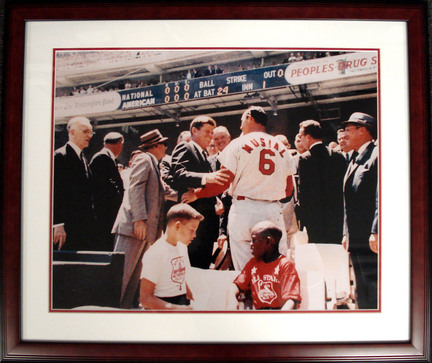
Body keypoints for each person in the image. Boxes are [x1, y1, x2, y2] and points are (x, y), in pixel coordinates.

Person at [182, 106, 295, 271]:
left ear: (249, 117)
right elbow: (288, 191)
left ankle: (249, 296)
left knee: (246, 268)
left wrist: (197, 194)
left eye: (242, 120)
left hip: (245, 210)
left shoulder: (238, 143)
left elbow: (222, 182)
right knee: (275, 266)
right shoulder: (282, 147)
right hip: (272, 210)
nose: (241, 125)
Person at [112, 129, 177, 308]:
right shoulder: (143, 158)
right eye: (164, 144)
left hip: (142, 230)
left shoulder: (153, 163)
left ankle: (123, 312)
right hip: (133, 228)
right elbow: (135, 189)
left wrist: (190, 195)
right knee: (122, 277)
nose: (166, 147)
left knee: (134, 279)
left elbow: (166, 191)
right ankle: (110, 312)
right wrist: (138, 219)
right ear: (155, 145)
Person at [170, 116, 229, 269]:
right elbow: (178, 174)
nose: (211, 136)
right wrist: (206, 177)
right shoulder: (185, 147)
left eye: (212, 133)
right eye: (207, 132)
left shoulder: (204, 154)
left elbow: (207, 185)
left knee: (201, 266)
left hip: (206, 224)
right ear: (194, 131)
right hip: (191, 223)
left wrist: (215, 199)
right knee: (190, 266)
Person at [341, 112, 379, 309]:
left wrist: (376, 231)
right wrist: (346, 231)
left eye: (349, 130)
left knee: (374, 285)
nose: (344, 134)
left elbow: (380, 197)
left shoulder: (377, 155)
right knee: (361, 284)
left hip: (370, 237)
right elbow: (349, 201)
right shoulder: (355, 157)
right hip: (356, 236)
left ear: (363, 130)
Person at [139, 204, 204, 310]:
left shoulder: (182, 246)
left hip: (180, 303)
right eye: (192, 230)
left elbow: (177, 277)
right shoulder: (156, 253)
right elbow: (145, 299)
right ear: (177, 226)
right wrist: (176, 309)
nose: (195, 235)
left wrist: (189, 293)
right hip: (162, 309)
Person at [226, 221, 301, 310]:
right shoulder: (253, 263)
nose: (250, 244)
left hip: (279, 314)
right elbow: (236, 285)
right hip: (259, 314)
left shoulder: (285, 265)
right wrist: (232, 300)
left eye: (254, 240)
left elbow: (291, 301)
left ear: (268, 241)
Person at [295, 120, 347, 244]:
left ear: (308, 137)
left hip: (315, 220)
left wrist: (303, 219)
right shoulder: (338, 155)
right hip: (337, 217)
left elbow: (304, 192)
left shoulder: (305, 158)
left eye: (301, 136)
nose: (300, 140)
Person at [53, 116, 97, 251]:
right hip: (67, 228)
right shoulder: (60, 156)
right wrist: (58, 224)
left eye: (91, 132)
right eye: (85, 131)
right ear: (72, 132)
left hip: (84, 227)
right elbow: (56, 192)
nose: (89, 135)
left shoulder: (83, 157)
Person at [90, 132, 125, 251]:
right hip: (104, 216)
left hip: (107, 215)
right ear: (120, 143)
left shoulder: (107, 158)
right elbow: (102, 189)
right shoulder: (102, 157)